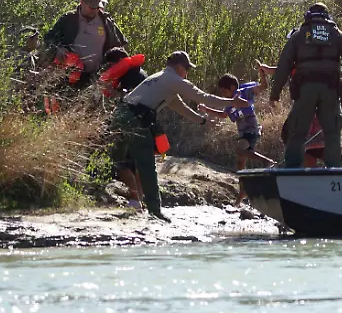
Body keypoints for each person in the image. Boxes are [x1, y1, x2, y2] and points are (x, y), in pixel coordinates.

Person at [112, 51, 246, 221]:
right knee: (146, 164)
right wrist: (232, 103)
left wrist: (202, 121)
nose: (187, 73)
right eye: (187, 69)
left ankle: (134, 201)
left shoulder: (160, 78)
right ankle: (155, 211)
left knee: (120, 159)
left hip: (121, 115)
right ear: (179, 67)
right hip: (134, 119)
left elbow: (179, 106)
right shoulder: (174, 80)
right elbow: (203, 97)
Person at [269, 3, 342, 168]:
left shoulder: (299, 36)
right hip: (330, 90)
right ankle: (335, 170)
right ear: (327, 16)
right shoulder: (338, 35)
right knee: (332, 132)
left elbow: (283, 66)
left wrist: (275, 95)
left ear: (308, 15)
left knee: (298, 131)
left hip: (305, 90)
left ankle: (291, 169)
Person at [42, 0, 128, 86]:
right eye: (91, 7)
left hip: (96, 78)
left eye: (97, 7)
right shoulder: (68, 19)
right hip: (68, 75)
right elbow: (49, 38)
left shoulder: (106, 22)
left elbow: (119, 46)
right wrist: (58, 49)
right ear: (82, 3)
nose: (95, 10)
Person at [100, 47, 148, 209]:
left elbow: (132, 96)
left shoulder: (130, 75)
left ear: (117, 63)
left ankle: (135, 199)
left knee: (121, 163)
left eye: (110, 65)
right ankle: (139, 200)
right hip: (144, 123)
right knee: (135, 163)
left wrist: (113, 92)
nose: (109, 70)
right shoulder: (141, 73)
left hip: (130, 125)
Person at [202, 73, 276, 169]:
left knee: (239, 151)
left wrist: (262, 74)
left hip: (251, 130)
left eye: (224, 91)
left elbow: (263, 86)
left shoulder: (245, 92)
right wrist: (206, 109)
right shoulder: (229, 102)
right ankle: (242, 180)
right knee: (240, 162)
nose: (223, 94)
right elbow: (223, 115)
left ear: (232, 88)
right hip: (243, 133)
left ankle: (267, 161)